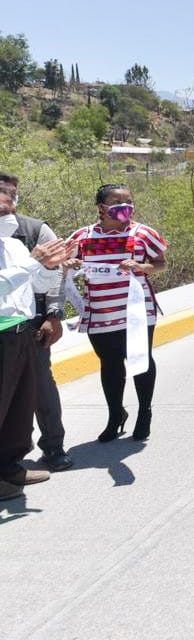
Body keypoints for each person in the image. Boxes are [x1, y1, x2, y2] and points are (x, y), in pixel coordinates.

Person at [68, 184, 168, 443]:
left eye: (129, 201)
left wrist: (141, 267)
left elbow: (160, 264)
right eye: (116, 202)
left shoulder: (144, 233)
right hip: (100, 311)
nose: (125, 206)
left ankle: (144, 413)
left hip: (137, 310)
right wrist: (70, 264)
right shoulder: (81, 236)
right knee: (110, 364)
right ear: (101, 207)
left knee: (140, 360)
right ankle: (116, 415)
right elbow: (65, 265)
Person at [0, 204, 73, 503]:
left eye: (11, 208)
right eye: (2, 210)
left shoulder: (14, 246)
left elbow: (38, 284)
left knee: (18, 409)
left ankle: (10, 470)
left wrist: (50, 266)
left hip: (21, 332)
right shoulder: (24, 253)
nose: (9, 216)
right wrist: (34, 263)